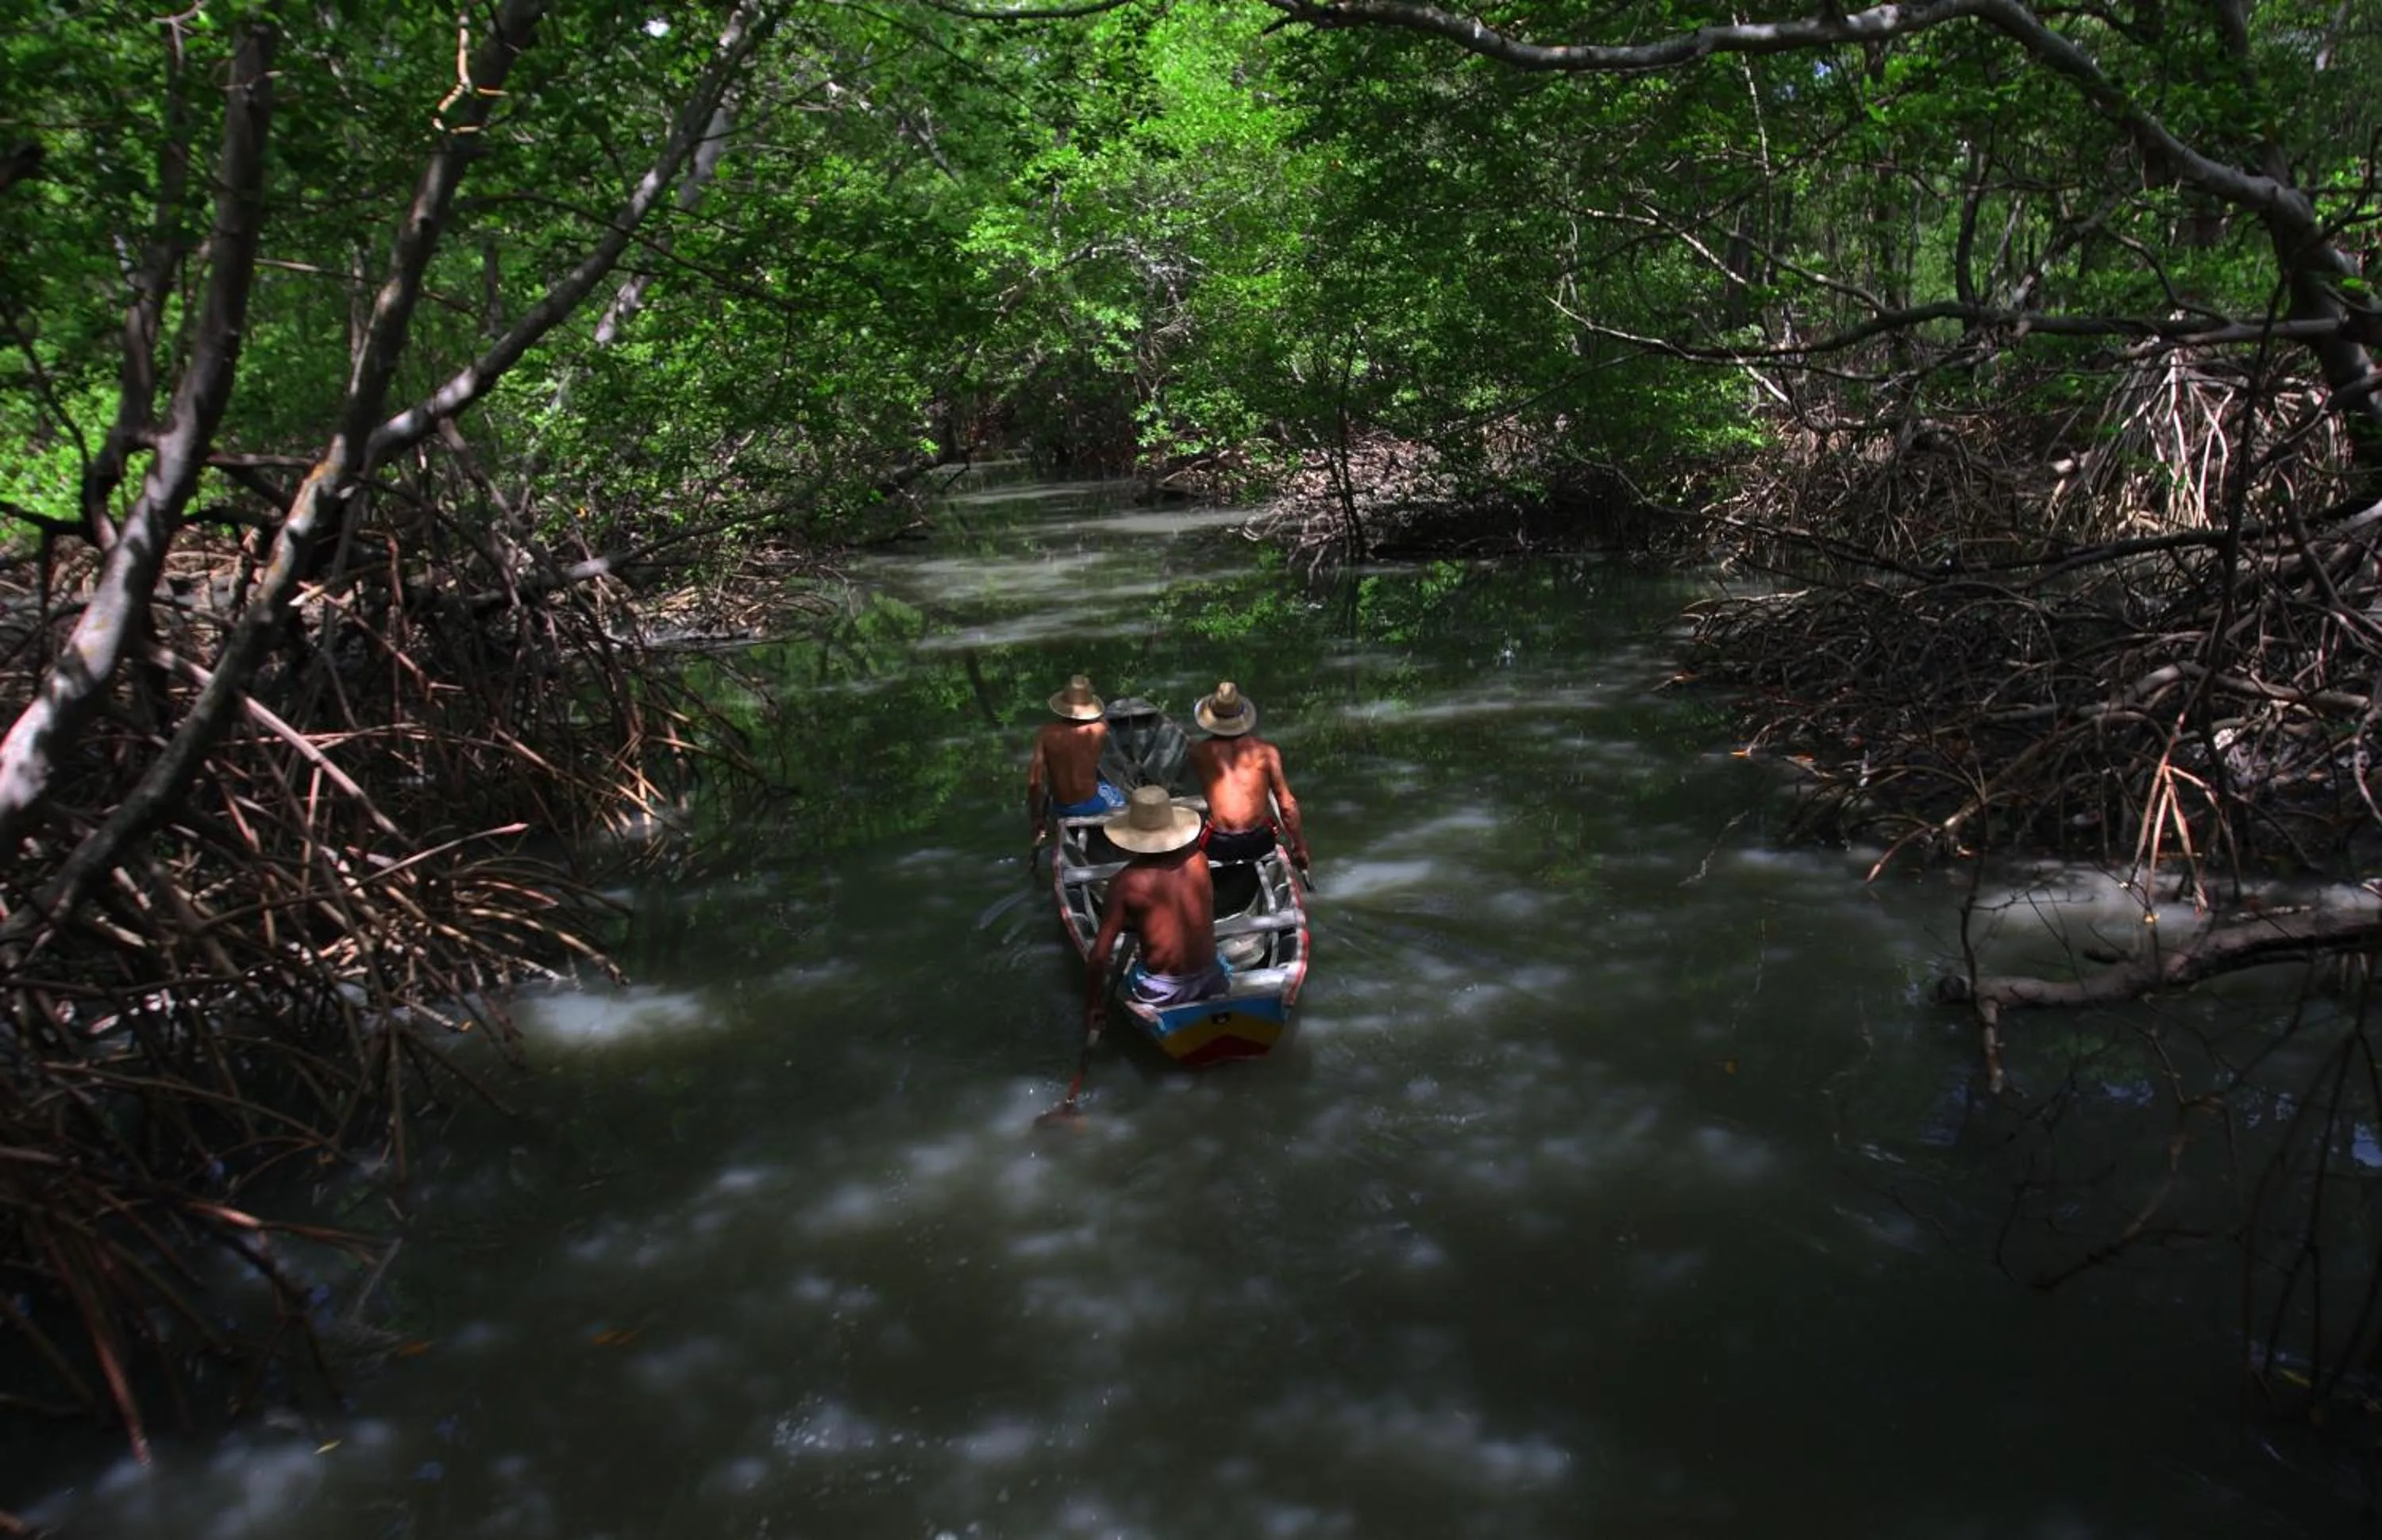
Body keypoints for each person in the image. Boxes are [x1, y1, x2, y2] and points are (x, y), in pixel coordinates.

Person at [1085, 785, 1226, 1033]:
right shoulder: (1199, 860)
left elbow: (1098, 957)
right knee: (1222, 961)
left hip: (1161, 994)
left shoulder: (1125, 883)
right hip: (1212, 981)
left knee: (1137, 969)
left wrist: (1094, 1005)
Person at [1186, 680, 1311, 870]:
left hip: (1221, 842)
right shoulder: (1267, 752)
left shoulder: (1198, 753)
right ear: (1242, 717)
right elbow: (1287, 806)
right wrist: (1300, 846)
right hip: (1259, 841)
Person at [1027, 674, 1122, 848]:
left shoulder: (1046, 733)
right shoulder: (1099, 729)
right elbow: (1103, 719)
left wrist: (1037, 818)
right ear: (1089, 707)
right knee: (1118, 794)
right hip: (1093, 805)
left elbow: (1034, 782)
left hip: (1062, 808)